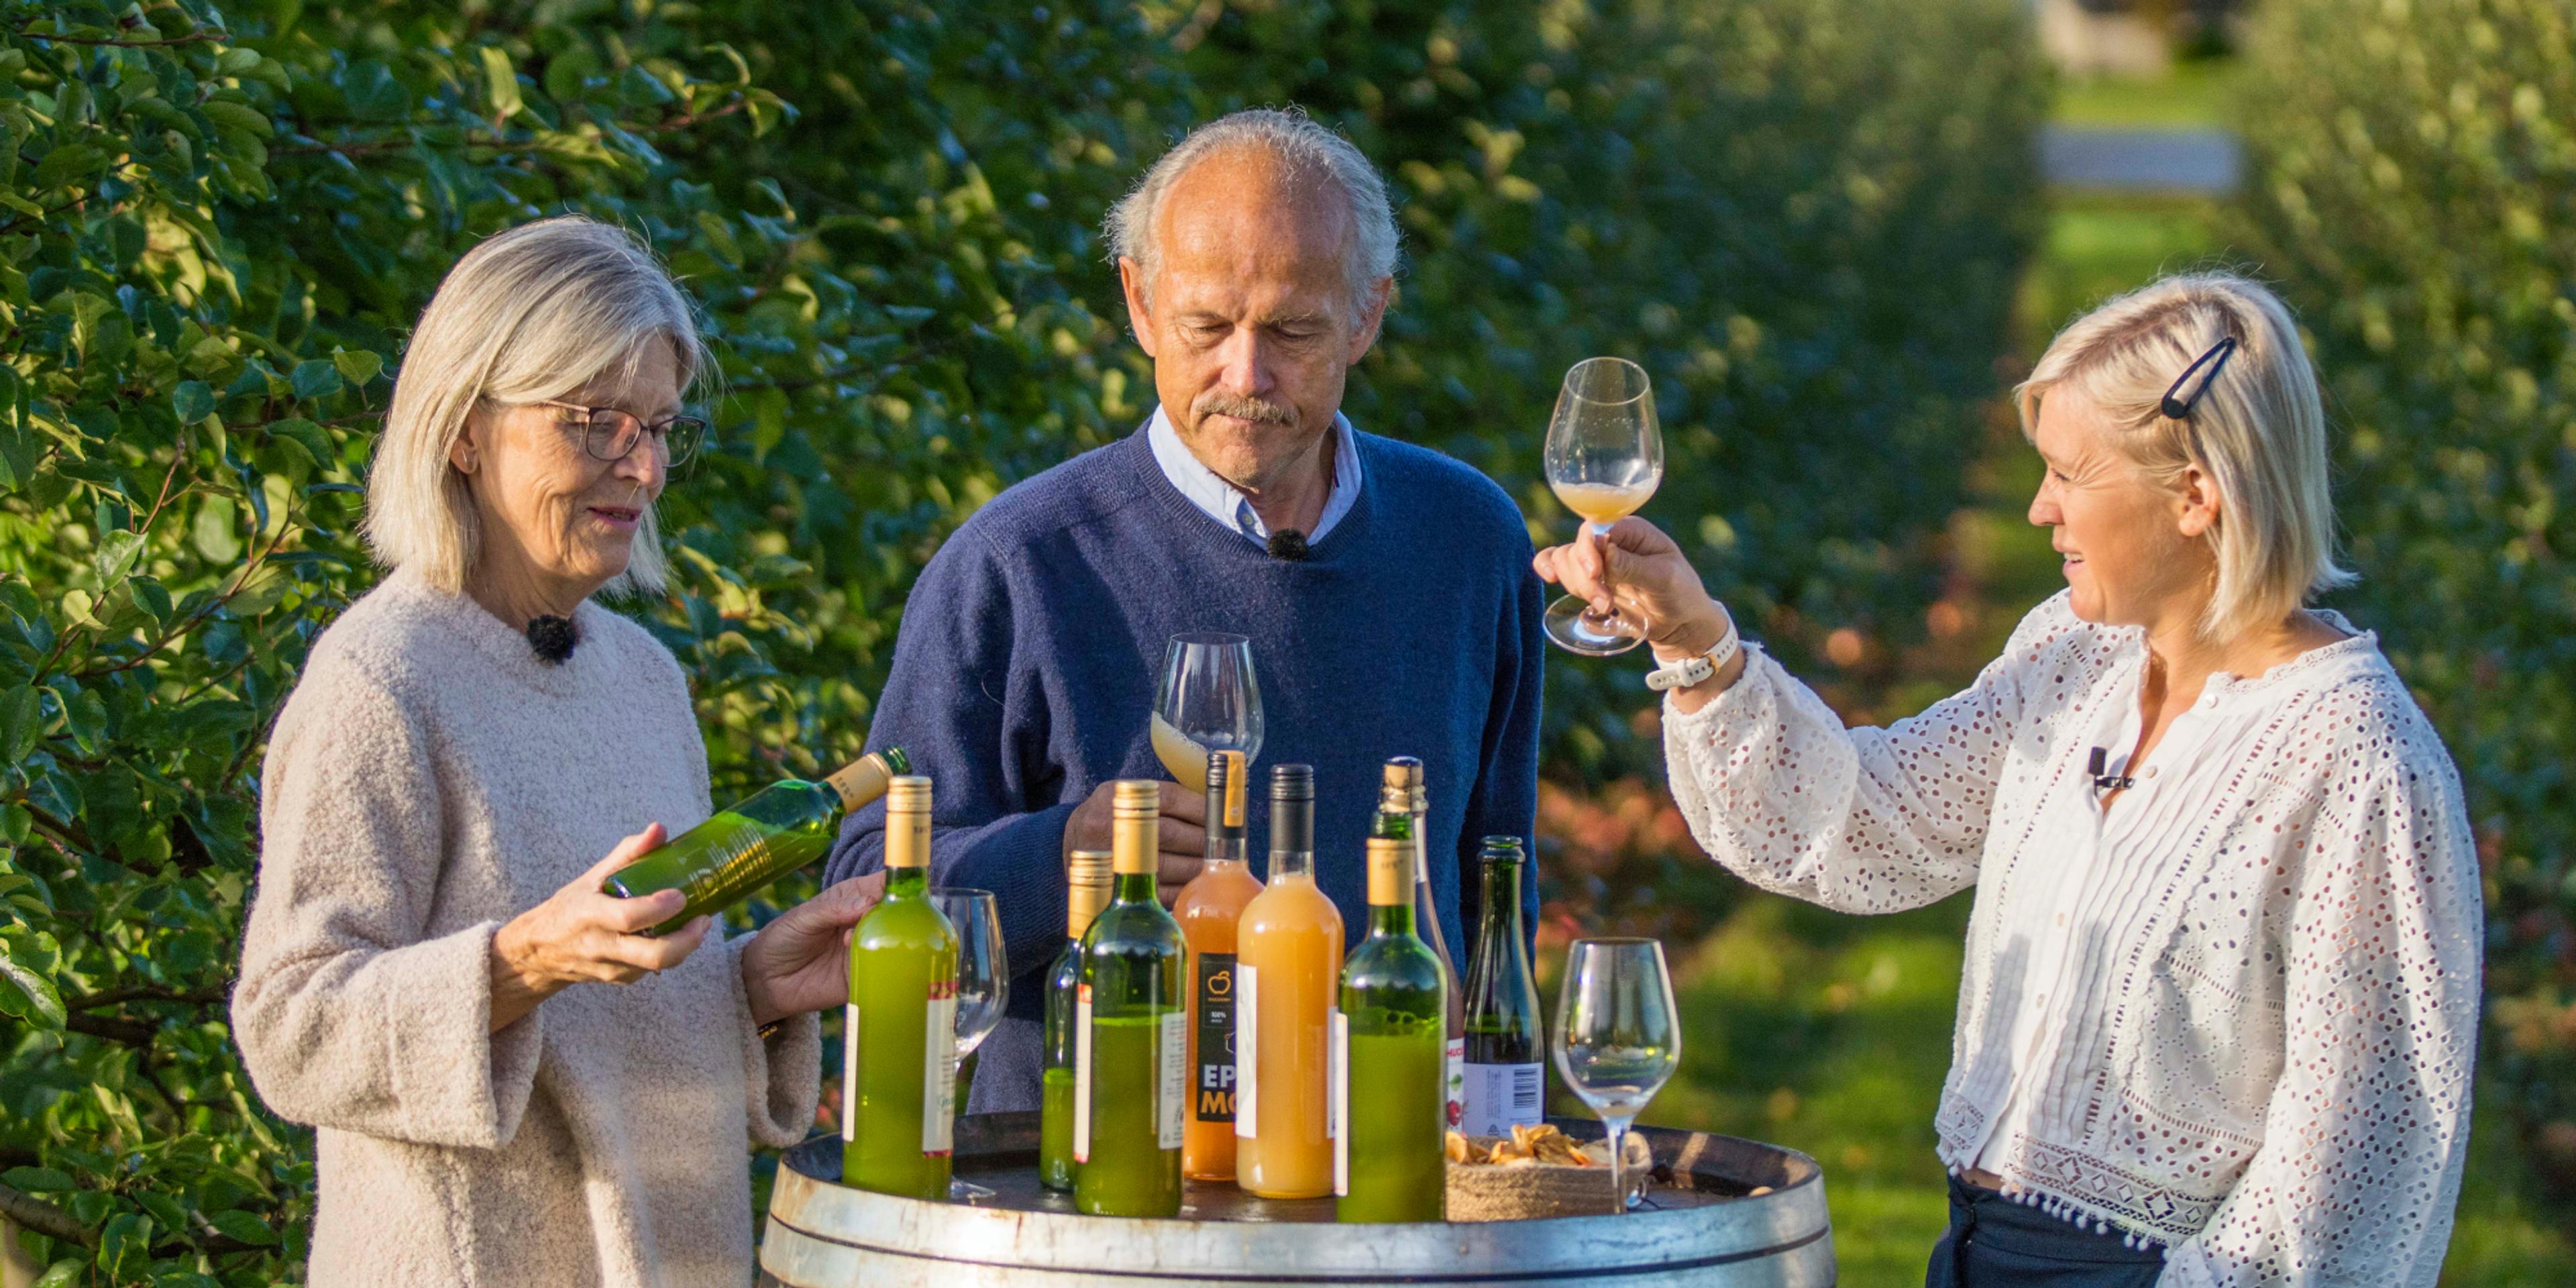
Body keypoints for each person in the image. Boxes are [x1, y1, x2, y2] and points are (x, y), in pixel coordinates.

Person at [1537, 272, 2479, 1287]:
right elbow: (1867, 821)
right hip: (1974, 1253)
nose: (2038, 510)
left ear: (2196, 493)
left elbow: (2355, 1162)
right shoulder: (2074, 660)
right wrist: (1696, 639)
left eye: (2070, 475)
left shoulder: (2355, 758)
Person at [825, 108, 1546, 1112]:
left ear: (1369, 316)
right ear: (1141, 304)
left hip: (1390, 1161)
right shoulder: (1019, 563)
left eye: (1293, 331)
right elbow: (859, 889)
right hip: (1084, 1193)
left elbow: (1496, 876)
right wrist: (1062, 857)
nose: (1245, 376)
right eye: (1208, 326)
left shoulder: (1467, 539)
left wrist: (1505, 1118)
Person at [233, 216, 881, 1285]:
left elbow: (615, 1012)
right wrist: (521, 961)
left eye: (661, 426)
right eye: (594, 422)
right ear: (463, 430)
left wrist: (749, 990)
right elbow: (290, 1028)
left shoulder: (642, 678)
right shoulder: (382, 681)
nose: (643, 465)